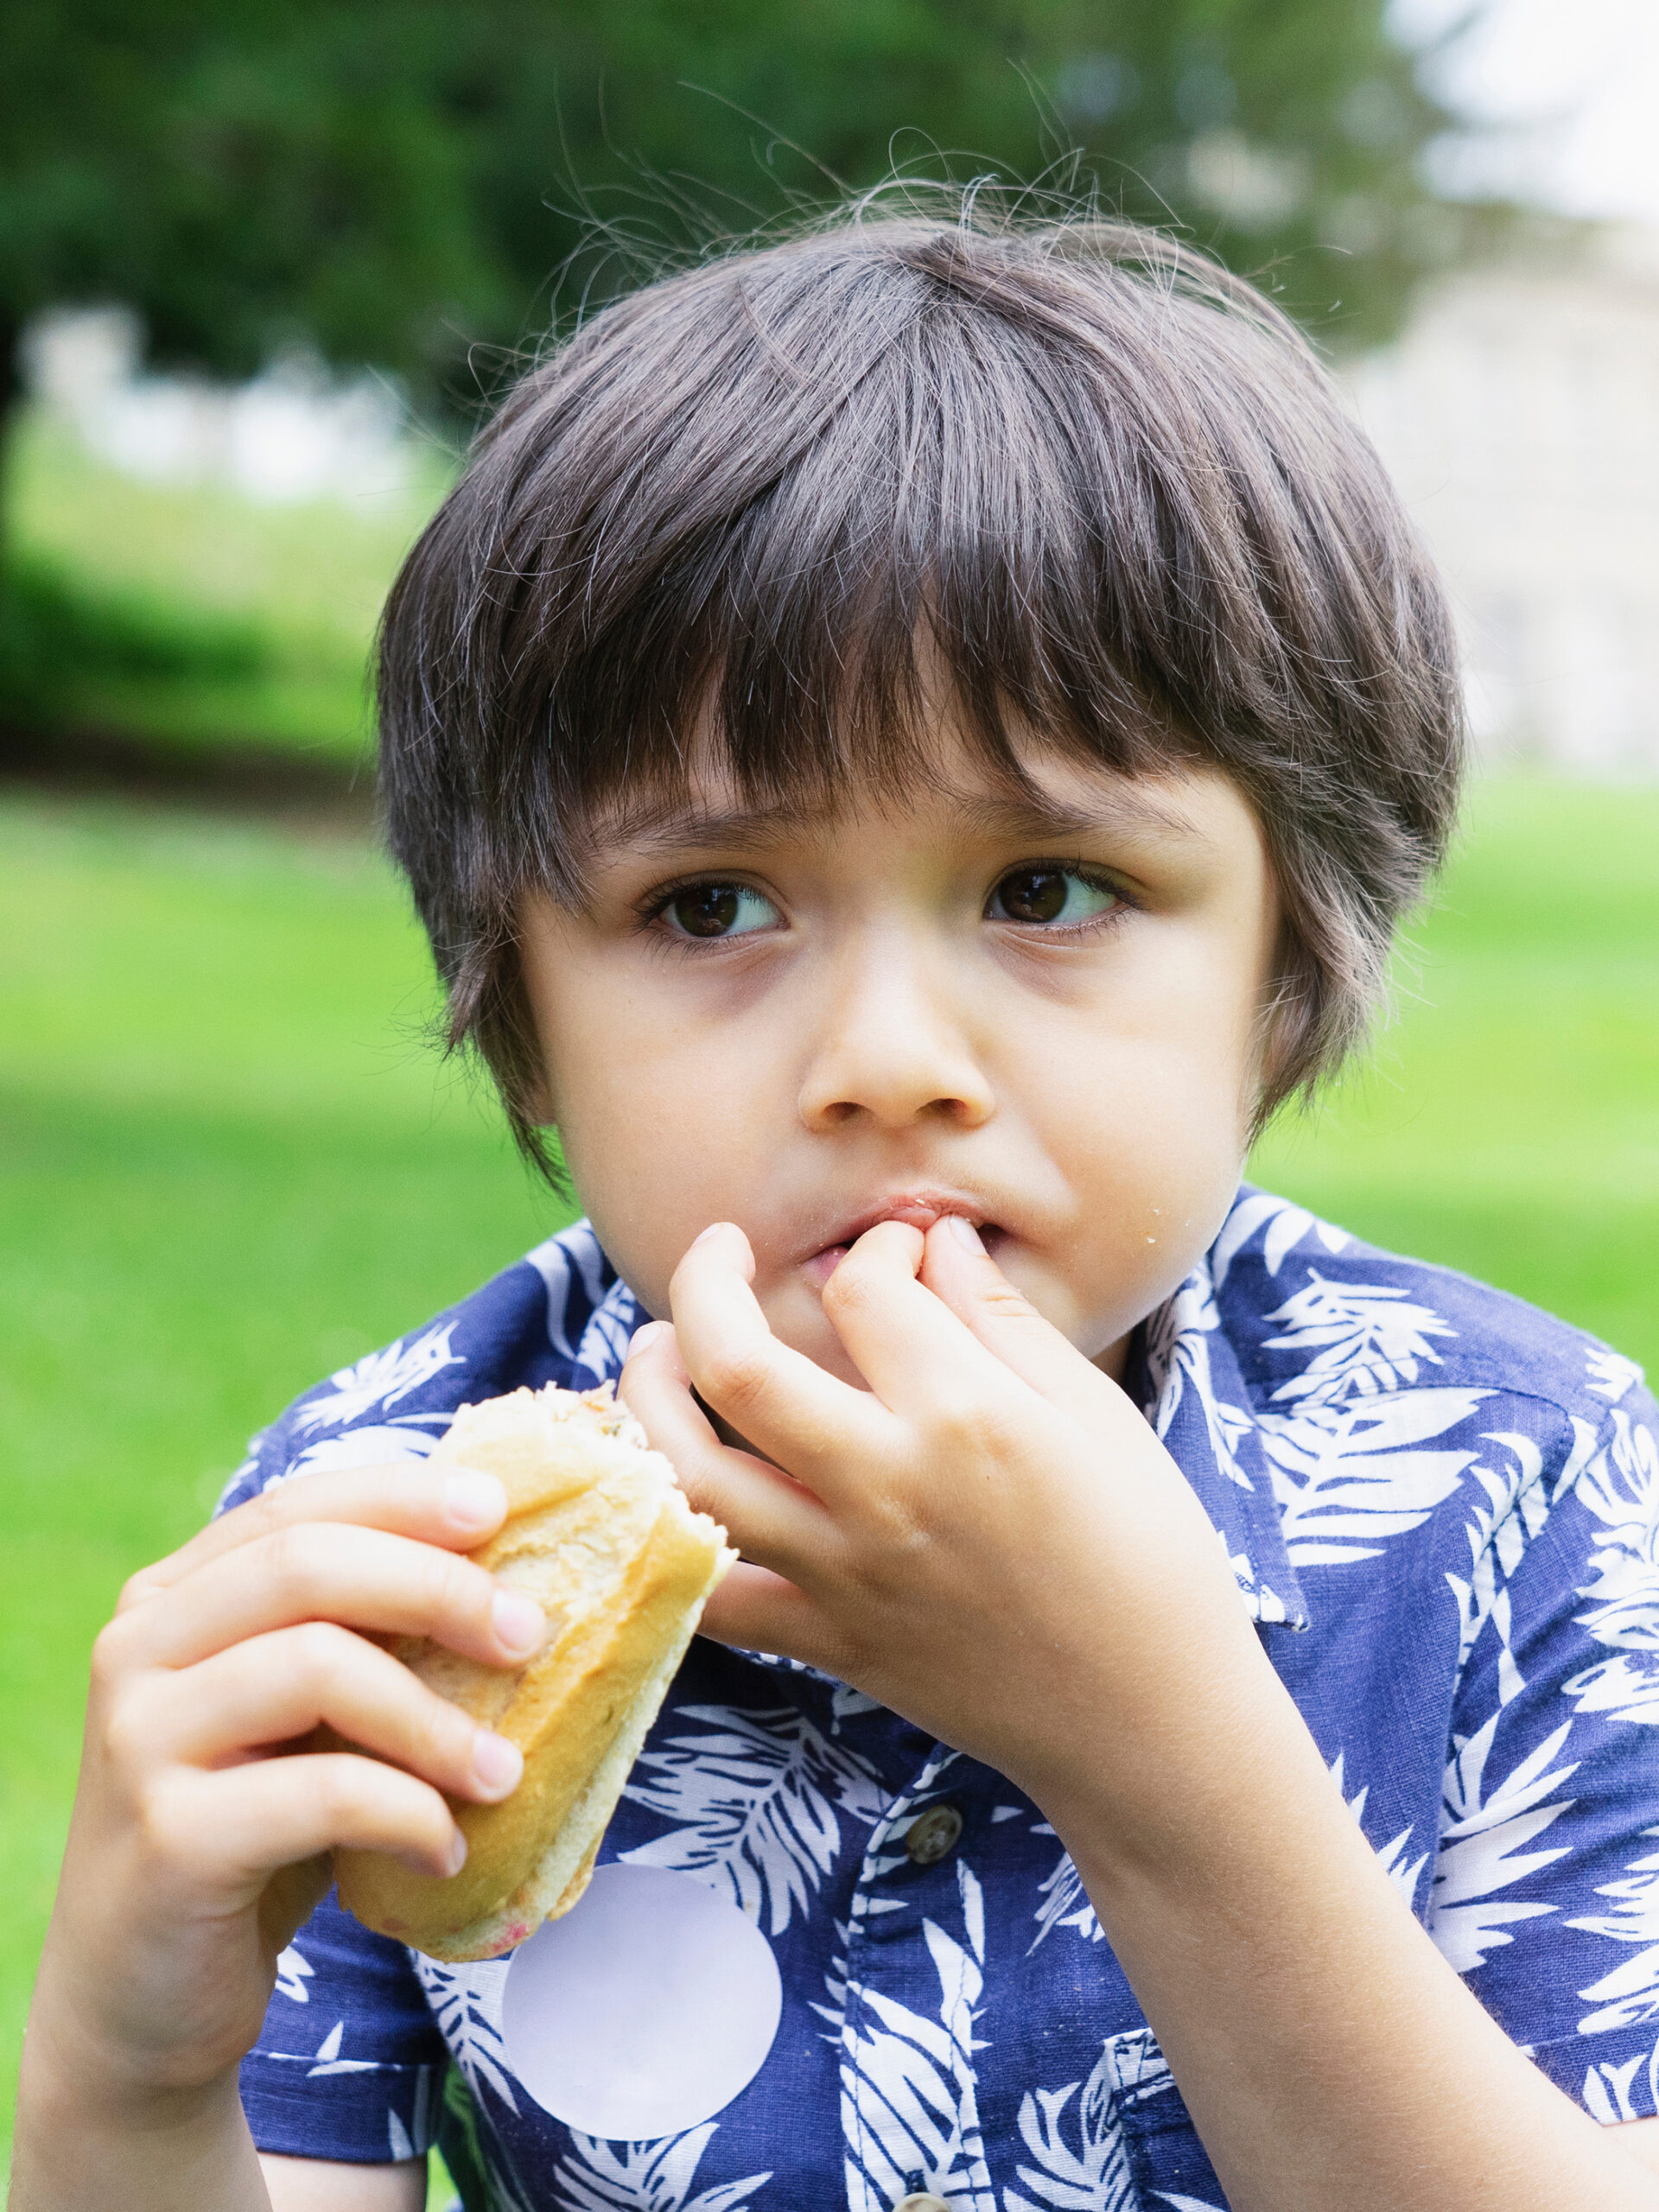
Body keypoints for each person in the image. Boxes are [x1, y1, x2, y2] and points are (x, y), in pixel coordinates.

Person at [15, 200, 1659, 2212]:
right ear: (518, 1010)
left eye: (1048, 888)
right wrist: (126, 2074)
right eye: (709, 904)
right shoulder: (404, 1536)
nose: (887, 1055)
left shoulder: (1524, 1494)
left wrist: (1167, 1764)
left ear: (1286, 973)